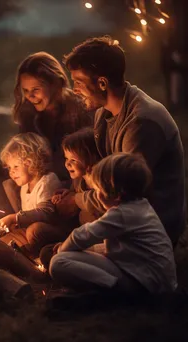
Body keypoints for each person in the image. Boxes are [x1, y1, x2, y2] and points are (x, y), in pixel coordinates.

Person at [62, 36, 186, 245]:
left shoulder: (142, 123)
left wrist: (76, 200)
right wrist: (76, 190)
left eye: (79, 82)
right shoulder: (103, 113)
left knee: (60, 254)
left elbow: (123, 192)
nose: (75, 90)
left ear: (102, 83)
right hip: (119, 211)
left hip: (151, 227)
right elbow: (100, 174)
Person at [0, 52, 92, 216]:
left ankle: (20, 217)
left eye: (36, 89)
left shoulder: (80, 110)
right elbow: (23, 153)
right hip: (30, 179)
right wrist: (16, 169)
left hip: (61, 186)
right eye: (26, 90)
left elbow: (85, 163)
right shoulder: (29, 114)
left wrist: (66, 187)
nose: (30, 96)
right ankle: (4, 214)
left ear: (56, 84)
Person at [49, 153, 177, 294]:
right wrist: (88, 250)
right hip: (155, 280)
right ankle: (109, 287)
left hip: (143, 283)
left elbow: (84, 235)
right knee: (70, 258)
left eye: (97, 190)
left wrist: (63, 248)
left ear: (116, 195)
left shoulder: (121, 214)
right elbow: (120, 248)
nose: (96, 194)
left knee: (58, 263)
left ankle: (113, 290)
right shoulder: (141, 207)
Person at [0, 132, 66, 258]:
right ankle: (17, 252)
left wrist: (15, 217)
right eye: (9, 168)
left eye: (16, 166)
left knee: (35, 230)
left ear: (30, 163)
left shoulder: (47, 181)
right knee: (2, 240)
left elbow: (47, 213)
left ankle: (30, 257)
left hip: (53, 231)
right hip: (28, 231)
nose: (11, 172)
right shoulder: (24, 186)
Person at [52, 127, 102, 225]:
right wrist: (65, 194)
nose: (67, 164)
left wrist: (75, 198)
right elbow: (74, 194)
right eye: (66, 158)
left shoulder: (99, 179)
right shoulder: (78, 180)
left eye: (73, 160)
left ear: (90, 159)